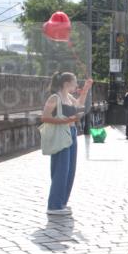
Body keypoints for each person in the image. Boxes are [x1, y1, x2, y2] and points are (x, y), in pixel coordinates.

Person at [42, 72, 93, 216]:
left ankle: (61, 202)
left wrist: (86, 89)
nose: (77, 85)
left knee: (70, 170)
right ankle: (54, 205)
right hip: (61, 134)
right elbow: (44, 117)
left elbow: (79, 105)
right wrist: (65, 120)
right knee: (61, 170)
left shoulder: (68, 97)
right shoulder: (55, 97)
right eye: (75, 82)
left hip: (71, 133)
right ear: (66, 84)